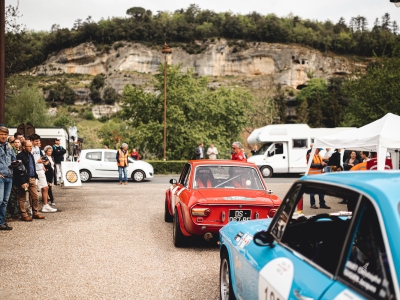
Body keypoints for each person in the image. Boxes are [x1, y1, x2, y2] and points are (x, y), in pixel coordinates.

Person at [15, 141, 45, 221]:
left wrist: (35, 175)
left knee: (35, 196)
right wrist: (22, 181)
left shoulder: (31, 155)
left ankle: (35, 212)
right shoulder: (20, 156)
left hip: (32, 178)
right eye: (29, 146)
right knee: (23, 197)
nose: (30, 148)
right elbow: (19, 169)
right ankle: (23, 214)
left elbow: (32, 166)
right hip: (24, 179)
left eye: (31, 146)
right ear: (24, 147)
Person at [29, 134, 56, 213]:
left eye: (39, 141)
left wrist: (42, 165)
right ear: (31, 141)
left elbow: (40, 158)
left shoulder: (37, 148)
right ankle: (31, 207)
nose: (38, 142)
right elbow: (29, 160)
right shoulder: (30, 148)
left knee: (45, 187)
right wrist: (38, 162)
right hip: (33, 171)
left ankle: (45, 205)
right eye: (36, 141)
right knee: (33, 190)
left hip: (40, 170)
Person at [0, 126, 16, 230]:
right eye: (1, 134)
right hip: (0, 177)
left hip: (9, 176)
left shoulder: (9, 146)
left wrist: (16, 163)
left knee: (5, 201)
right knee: (0, 200)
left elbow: (13, 158)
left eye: (5, 134)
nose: (3, 136)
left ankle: (1, 222)